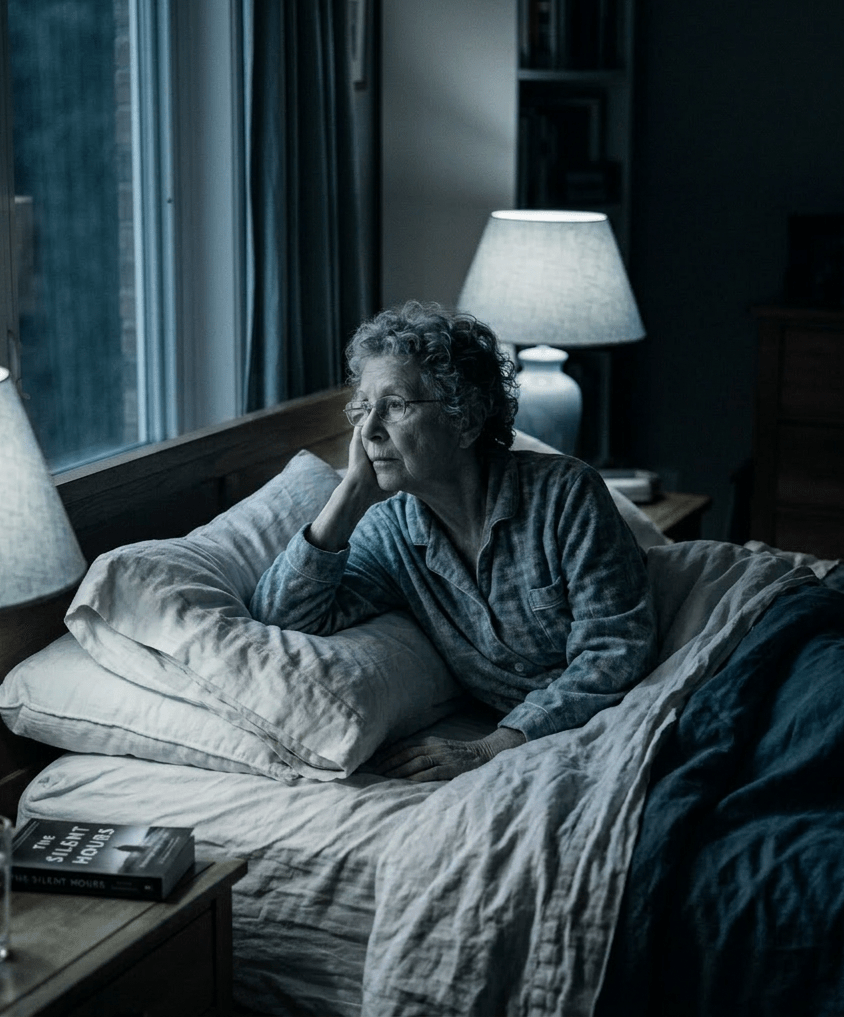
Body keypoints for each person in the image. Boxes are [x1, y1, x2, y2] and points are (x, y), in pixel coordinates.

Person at [251, 301, 656, 781]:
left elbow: (617, 649)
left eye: (395, 405)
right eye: (363, 407)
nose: (369, 430)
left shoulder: (564, 494)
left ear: (465, 419)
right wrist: (350, 494)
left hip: (658, 704)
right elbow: (280, 616)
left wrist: (497, 746)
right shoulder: (391, 533)